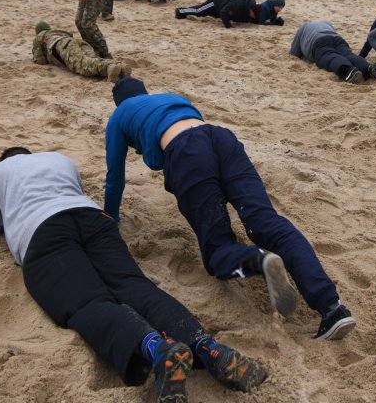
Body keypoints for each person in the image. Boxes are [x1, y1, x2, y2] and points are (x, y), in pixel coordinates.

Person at [0, 147, 268, 403]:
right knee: (134, 286)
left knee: (86, 302)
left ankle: (157, 348)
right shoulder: (58, 159)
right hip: (92, 218)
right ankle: (208, 347)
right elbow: (75, 191)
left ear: (5, 159)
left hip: (43, 232)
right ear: (30, 153)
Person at [106, 78, 357, 341]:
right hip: (221, 139)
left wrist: (111, 217)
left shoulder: (119, 115)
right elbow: (192, 135)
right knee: (265, 223)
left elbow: (116, 177)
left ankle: (257, 261)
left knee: (216, 251)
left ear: (119, 103)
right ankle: (332, 308)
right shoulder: (170, 98)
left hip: (187, 155)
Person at [290, 20, 376, 84]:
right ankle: (367, 68)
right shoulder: (326, 22)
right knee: (348, 54)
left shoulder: (303, 27)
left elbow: (294, 52)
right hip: (337, 39)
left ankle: (348, 71)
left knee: (329, 56)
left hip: (318, 41)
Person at [32, 21, 130, 81]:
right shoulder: (58, 33)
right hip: (77, 42)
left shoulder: (41, 36)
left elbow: (40, 60)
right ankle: (119, 66)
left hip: (64, 45)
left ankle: (109, 66)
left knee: (83, 65)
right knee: (92, 60)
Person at [175, 0, 285, 27]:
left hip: (221, 9)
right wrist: (228, 25)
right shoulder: (237, 4)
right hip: (216, 2)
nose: (252, 17)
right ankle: (180, 11)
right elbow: (223, 12)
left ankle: (182, 12)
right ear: (250, 11)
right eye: (252, 15)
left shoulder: (250, 9)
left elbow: (256, 21)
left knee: (201, 14)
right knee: (199, 11)